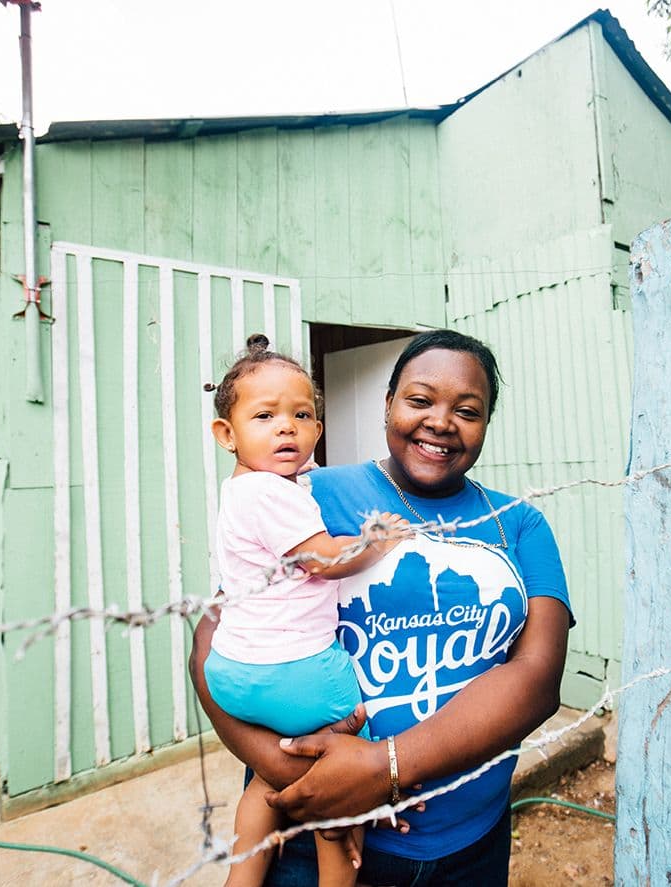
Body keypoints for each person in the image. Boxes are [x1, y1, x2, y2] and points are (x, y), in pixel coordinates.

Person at [191, 329, 573, 886]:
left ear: (486, 424)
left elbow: (538, 678)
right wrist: (285, 771)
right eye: (419, 400)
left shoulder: (519, 523)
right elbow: (215, 633)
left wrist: (382, 766)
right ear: (388, 404)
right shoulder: (305, 492)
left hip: (469, 847)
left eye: (467, 410)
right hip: (309, 833)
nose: (441, 422)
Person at [203, 334, 409, 887]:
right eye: (265, 416)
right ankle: (340, 861)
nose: (286, 427)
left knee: (264, 785)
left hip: (234, 670)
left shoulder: (242, 491)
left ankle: (243, 876)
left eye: (301, 415)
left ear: (318, 429)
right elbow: (324, 559)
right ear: (228, 433)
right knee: (351, 763)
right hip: (296, 674)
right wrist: (378, 540)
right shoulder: (271, 493)